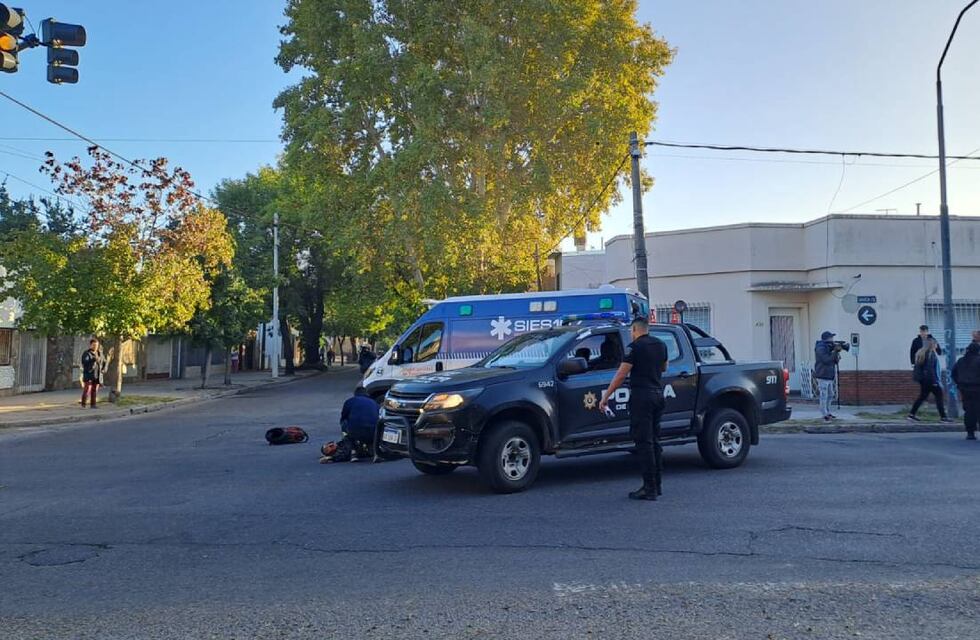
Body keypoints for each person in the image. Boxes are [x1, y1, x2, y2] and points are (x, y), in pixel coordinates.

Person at [599, 317, 668, 501]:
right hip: (658, 394)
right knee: (655, 440)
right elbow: (664, 367)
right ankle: (657, 485)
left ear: (636, 329)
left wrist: (606, 397)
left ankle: (649, 488)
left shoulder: (635, 347)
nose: (631, 334)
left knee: (644, 442)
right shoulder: (661, 344)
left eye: (631, 331)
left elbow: (621, 374)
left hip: (642, 397)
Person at [908, 337, 951, 423]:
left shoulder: (921, 353)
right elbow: (930, 369)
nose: (936, 346)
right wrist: (934, 382)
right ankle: (943, 417)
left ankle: (911, 415)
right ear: (932, 345)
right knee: (939, 396)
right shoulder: (930, 354)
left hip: (923, 380)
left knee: (922, 397)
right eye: (935, 344)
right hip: (930, 380)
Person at [339, 387, 380, 462]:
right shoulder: (374, 402)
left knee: (344, 423)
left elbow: (343, 417)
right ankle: (376, 453)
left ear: (355, 394)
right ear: (366, 394)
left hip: (355, 431)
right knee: (373, 425)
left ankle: (353, 452)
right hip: (373, 432)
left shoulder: (350, 401)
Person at [952, 340, 980, 440]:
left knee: (968, 411)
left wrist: (959, 383)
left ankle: (970, 433)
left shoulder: (961, 360)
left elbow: (953, 373)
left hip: (964, 389)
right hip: (977, 389)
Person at [814, 331, 841, 421]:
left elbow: (835, 361)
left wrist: (836, 352)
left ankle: (828, 412)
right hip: (822, 374)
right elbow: (826, 360)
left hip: (829, 375)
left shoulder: (828, 347)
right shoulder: (820, 347)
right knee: (824, 395)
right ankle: (824, 413)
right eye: (831, 337)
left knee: (830, 394)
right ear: (827, 338)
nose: (832, 339)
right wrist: (834, 351)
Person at [80, 338, 106, 409]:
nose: (95, 347)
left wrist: (103, 369)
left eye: (97, 345)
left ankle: (93, 404)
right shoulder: (87, 353)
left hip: (97, 374)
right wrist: (93, 359)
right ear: (90, 345)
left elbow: (104, 361)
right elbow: (84, 362)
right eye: (94, 345)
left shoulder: (99, 353)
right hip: (89, 374)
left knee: (94, 390)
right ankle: (83, 404)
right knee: (87, 389)